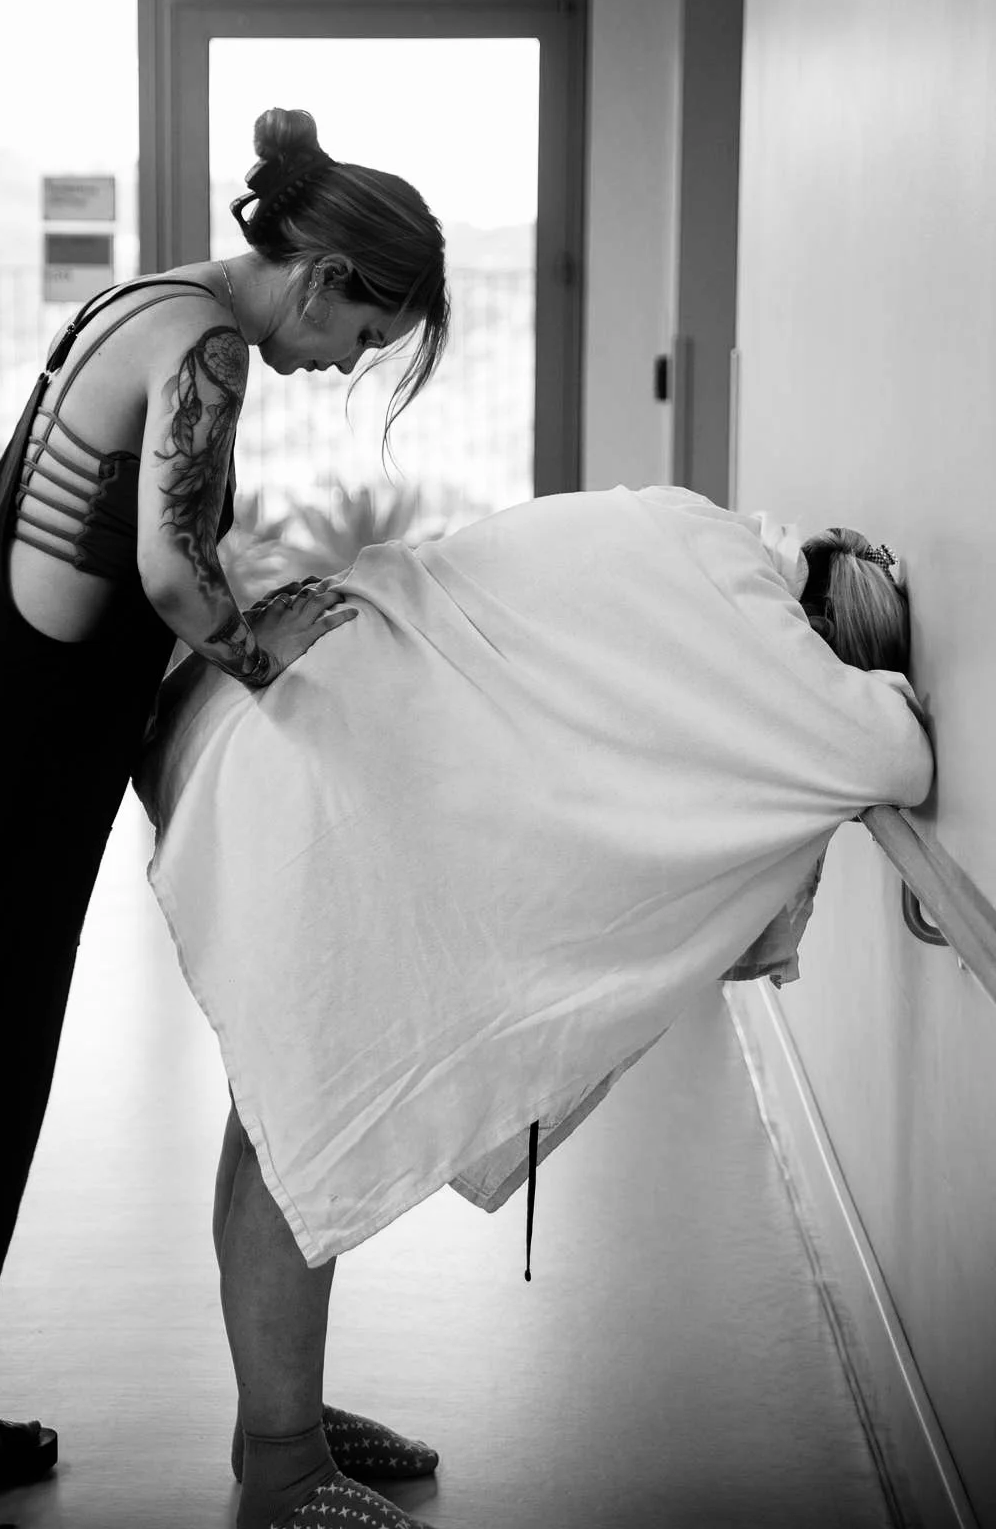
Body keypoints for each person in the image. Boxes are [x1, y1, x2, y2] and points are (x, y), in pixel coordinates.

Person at [0, 107, 450, 1529]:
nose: (346, 365)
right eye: (365, 335)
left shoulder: (145, 295)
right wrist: (284, 679)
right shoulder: (214, 350)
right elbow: (175, 580)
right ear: (323, 278)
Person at [138, 485, 934, 1528]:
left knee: (280, 1114)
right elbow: (891, 757)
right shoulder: (761, 623)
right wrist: (885, 696)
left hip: (284, 700)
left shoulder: (695, 524)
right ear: (828, 636)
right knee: (309, 1119)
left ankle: (276, 1426)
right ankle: (283, 1472)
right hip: (317, 755)